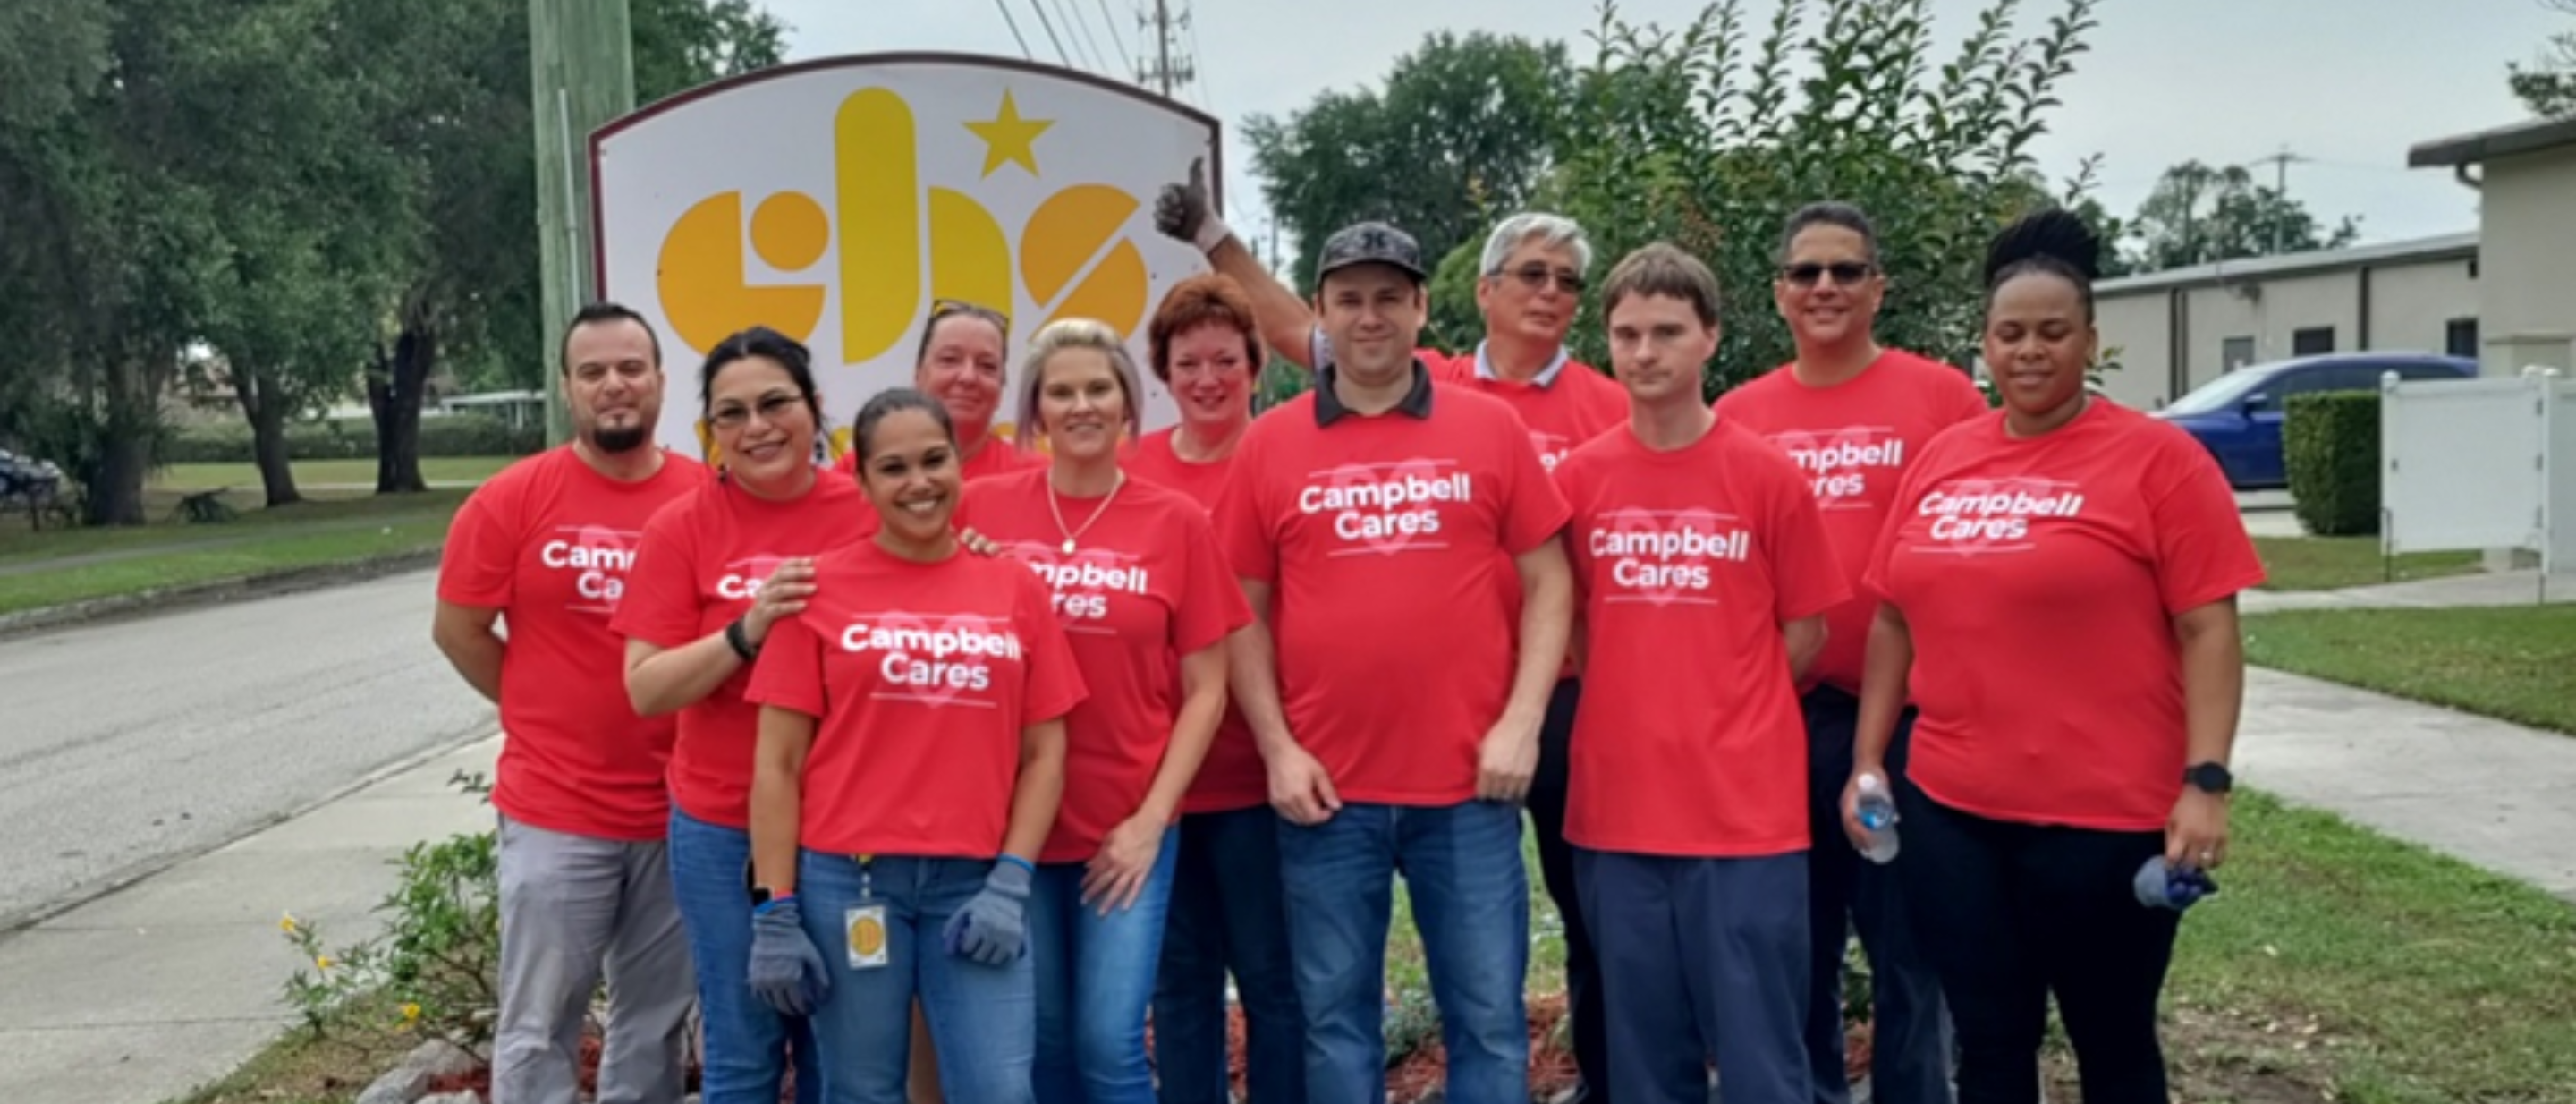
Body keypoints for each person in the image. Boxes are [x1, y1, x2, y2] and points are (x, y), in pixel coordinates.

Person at [1159, 166, 1625, 1104]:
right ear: (1324, 317)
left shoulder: (1486, 428)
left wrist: (1524, 720)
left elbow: (1548, 580)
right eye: (1348, 301)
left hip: (1470, 788)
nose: (1368, 318)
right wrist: (1281, 749)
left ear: (1421, 308)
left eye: (1387, 298)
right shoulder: (1273, 442)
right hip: (1326, 795)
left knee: (1487, 1018)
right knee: (1337, 1023)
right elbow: (1239, 607)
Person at [1849, 208, 2262, 1104]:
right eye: (2010, 333)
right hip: (1954, 809)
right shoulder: (1944, 459)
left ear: (2090, 341)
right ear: (1985, 345)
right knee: (1991, 1042)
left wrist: (2207, 779)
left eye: (2052, 331)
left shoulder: (2160, 461)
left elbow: (2210, 629)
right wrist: (1870, 762)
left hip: (2104, 818)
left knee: (2111, 1040)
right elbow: (1892, 620)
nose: (2029, 351)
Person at [1556, 243, 1846, 1104]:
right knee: (1646, 1061)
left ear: (1712, 338)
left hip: (1742, 815)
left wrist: (1730, 697)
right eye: (1627, 333)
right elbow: (1566, 624)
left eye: (1668, 332)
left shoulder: (1766, 475)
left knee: (1762, 1056)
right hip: (1616, 808)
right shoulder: (1579, 480)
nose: (1645, 352)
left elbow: (1807, 632)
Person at [1713, 202, 1987, 1104]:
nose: (1823, 287)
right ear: (1779, 294)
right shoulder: (1740, 414)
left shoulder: (1942, 397)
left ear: (1879, 287)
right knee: (1797, 937)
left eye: (1844, 270)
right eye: (1805, 273)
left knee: (1908, 941)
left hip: (1907, 720)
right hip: (1783, 715)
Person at [741, 388, 1085, 1104]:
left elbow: (1046, 753)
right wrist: (775, 910)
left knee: (998, 1091)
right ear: (861, 481)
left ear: (960, 464)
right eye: (893, 469)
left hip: (977, 886)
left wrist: (1013, 879)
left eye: (934, 460)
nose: (919, 483)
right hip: (850, 883)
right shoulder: (817, 589)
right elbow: (776, 765)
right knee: (864, 1090)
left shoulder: (1015, 586)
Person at [956, 318, 1251, 1103]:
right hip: (1009, 827)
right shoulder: (979, 511)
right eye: (1061, 391)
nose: (1081, 404)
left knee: (1108, 1044)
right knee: (1045, 1046)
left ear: (1127, 405)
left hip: (1123, 828)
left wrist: (1152, 822)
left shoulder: (1176, 521)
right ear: (1036, 412)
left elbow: (1207, 691)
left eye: (1098, 388)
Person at [431, 302, 708, 1104]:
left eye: (630, 368)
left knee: (654, 1023)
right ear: (567, 389)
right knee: (538, 1024)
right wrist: (541, 710)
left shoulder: (704, 499)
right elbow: (459, 631)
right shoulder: (512, 499)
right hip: (557, 810)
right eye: (593, 373)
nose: (613, 386)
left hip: (676, 811)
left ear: (659, 381)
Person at [614, 327, 870, 1104]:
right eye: (732, 414)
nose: (756, 427)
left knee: (843, 1044)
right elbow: (647, 688)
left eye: (774, 403)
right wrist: (744, 632)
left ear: (816, 408)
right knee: (745, 1044)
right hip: (724, 827)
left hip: (843, 825)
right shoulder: (683, 528)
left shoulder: (870, 510)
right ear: (711, 433)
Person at [1127, 275, 1306, 1104]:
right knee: (1180, 984)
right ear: (1162, 371)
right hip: (1155, 784)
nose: (1207, 378)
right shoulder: (1130, 471)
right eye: (1188, 361)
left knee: (1275, 980)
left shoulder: (1283, 457)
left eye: (1225, 360)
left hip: (1259, 775)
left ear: (1256, 366)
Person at [830, 300, 1046, 483]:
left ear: (1001, 386)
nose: (968, 377)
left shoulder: (1038, 477)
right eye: (950, 360)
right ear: (919, 374)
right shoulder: (859, 470)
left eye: (987, 365)